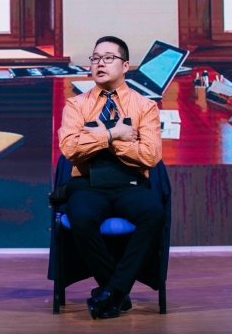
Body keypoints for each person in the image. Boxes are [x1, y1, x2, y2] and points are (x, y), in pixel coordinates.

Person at [57, 36, 163, 319]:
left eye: (108, 58)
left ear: (125, 66)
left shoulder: (145, 106)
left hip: (130, 182)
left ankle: (111, 293)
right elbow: (70, 150)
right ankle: (118, 292)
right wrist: (115, 134)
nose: (100, 64)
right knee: (81, 217)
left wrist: (98, 139)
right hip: (88, 183)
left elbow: (150, 156)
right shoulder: (76, 105)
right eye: (95, 58)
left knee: (154, 213)